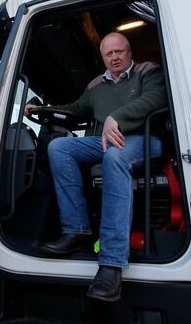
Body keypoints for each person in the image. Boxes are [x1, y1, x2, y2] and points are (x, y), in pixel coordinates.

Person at [24, 32, 167, 302]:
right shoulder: (96, 85)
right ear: (102, 57)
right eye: (109, 54)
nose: (115, 57)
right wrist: (42, 110)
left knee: (115, 156)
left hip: (145, 138)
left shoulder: (148, 71)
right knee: (59, 148)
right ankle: (76, 230)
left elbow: (155, 100)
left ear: (129, 52)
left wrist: (117, 117)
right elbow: (76, 108)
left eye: (119, 52)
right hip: (107, 142)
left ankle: (112, 263)